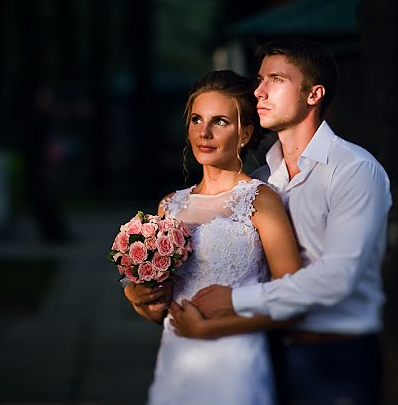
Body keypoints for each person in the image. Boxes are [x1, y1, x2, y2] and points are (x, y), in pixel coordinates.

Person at [185, 38, 393, 405]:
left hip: (335, 357)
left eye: (276, 79)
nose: (259, 90)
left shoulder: (354, 170)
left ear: (314, 94)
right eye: (260, 78)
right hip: (263, 349)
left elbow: (337, 279)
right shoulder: (262, 180)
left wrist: (235, 300)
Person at [123, 70, 304, 405]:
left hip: (235, 360)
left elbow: (294, 301)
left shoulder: (261, 201)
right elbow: (162, 311)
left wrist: (210, 329)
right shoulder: (170, 205)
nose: (203, 133)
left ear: (246, 132)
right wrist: (138, 298)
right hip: (177, 361)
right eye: (196, 119)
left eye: (219, 121)